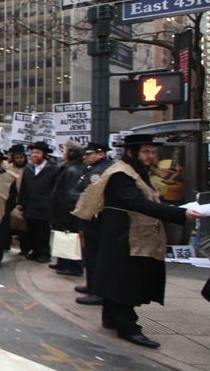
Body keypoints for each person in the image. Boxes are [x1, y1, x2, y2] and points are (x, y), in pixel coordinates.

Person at [73, 134, 204, 348]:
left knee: (116, 278)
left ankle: (112, 318)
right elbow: (135, 202)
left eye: (153, 152)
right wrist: (180, 214)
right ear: (131, 152)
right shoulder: (121, 174)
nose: (150, 156)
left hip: (125, 233)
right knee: (124, 281)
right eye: (146, 151)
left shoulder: (135, 172)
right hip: (123, 235)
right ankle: (128, 327)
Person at [74, 142, 113, 306]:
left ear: (100, 154)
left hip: (96, 219)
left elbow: (92, 194)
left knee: (95, 256)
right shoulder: (92, 169)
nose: (85, 157)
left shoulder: (100, 171)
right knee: (90, 255)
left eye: (88, 154)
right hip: (91, 219)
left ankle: (98, 291)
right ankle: (91, 285)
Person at [16, 142, 60, 263]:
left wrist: (51, 203)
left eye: (37, 153)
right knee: (32, 230)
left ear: (44, 155)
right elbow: (23, 187)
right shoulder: (29, 168)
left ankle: (44, 253)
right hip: (30, 205)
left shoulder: (53, 169)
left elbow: (56, 189)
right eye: (33, 152)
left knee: (43, 232)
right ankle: (34, 252)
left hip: (44, 206)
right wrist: (21, 202)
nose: (34, 155)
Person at [49, 142, 86, 276]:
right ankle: (63, 262)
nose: (63, 154)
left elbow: (70, 194)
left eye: (65, 151)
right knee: (63, 235)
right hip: (62, 209)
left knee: (72, 237)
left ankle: (74, 267)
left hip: (67, 210)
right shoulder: (69, 167)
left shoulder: (73, 170)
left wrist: (67, 211)